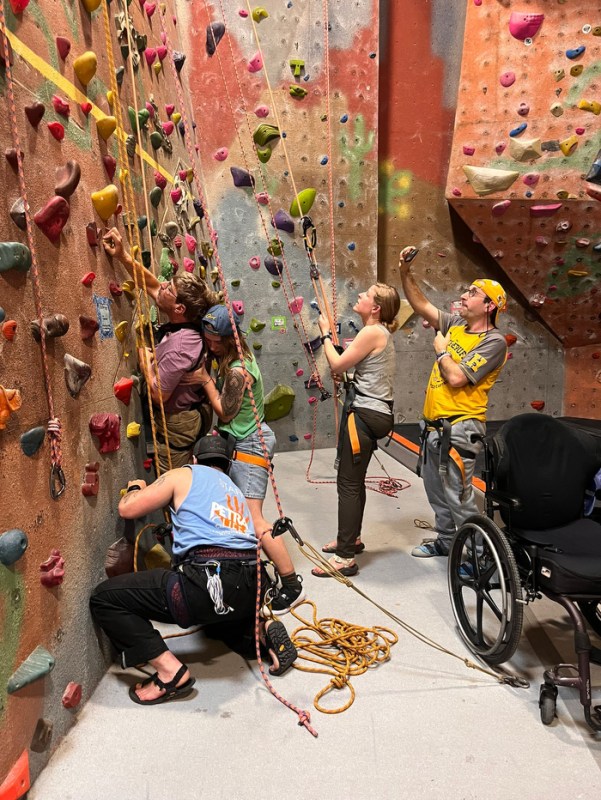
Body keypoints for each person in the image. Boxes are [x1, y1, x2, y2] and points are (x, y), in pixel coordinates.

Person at [90, 435, 297, 705]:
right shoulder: (235, 491)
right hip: (253, 586)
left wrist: (135, 488)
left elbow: (128, 509)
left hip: (207, 581)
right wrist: (290, 579)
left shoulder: (182, 475)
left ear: (194, 460)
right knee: (215, 620)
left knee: (105, 598)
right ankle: (259, 630)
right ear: (227, 464)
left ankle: (170, 673)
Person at [188, 304, 305, 614]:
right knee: (238, 515)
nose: (210, 343)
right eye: (207, 337)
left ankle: (292, 585)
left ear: (231, 337)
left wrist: (203, 379)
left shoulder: (239, 370)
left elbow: (225, 411)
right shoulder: (228, 357)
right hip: (242, 440)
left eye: (216, 339)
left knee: (255, 521)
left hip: (252, 444)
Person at [398, 246, 508, 558]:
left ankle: (476, 558)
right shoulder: (456, 325)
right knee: (436, 491)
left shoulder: (493, 342)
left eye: (472, 293)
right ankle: (447, 542)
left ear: (489, 306)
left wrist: (441, 351)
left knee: (459, 497)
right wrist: (405, 271)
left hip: (460, 428)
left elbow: (458, 377)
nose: (464, 295)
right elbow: (421, 305)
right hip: (433, 427)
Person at [102, 227, 218, 471]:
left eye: (170, 290)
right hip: (189, 410)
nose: (163, 286)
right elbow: (152, 285)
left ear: (179, 309)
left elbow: (159, 394)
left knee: (171, 478)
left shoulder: (181, 346)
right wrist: (123, 255)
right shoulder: (187, 319)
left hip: (178, 423)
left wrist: (144, 357)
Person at [312, 283, 401, 577]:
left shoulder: (372, 331)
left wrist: (324, 332)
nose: (360, 295)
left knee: (347, 484)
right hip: (373, 411)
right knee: (355, 480)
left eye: (366, 294)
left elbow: (336, 362)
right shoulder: (377, 333)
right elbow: (348, 370)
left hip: (364, 414)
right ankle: (352, 538)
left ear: (375, 308)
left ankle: (345, 556)